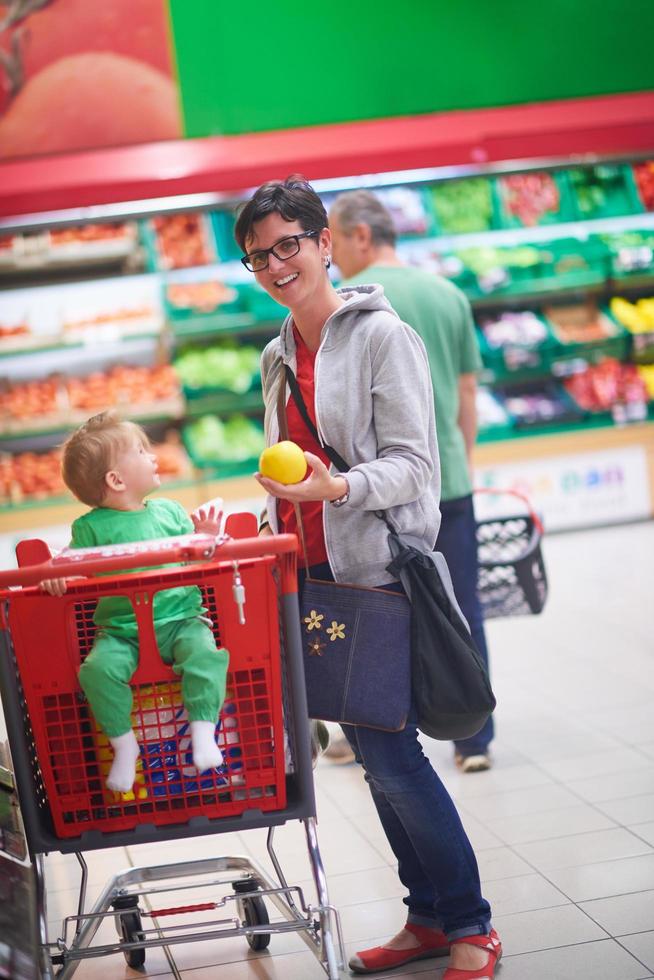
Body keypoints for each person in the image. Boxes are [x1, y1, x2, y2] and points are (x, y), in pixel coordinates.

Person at [234, 175, 502, 980]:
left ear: (324, 243)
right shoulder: (276, 358)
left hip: (380, 573)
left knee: (392, 761)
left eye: (289, 244)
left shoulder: (385, 338)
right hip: (314, 583)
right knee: (373, 761)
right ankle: (426, 916)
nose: (278, 263)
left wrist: (337, 488)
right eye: (258, 255)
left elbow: (415, 468)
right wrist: (266, 523)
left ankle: (472, 924)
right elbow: (291, 474)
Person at [329, 189, 494, 773]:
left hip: (384, 491)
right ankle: (473, 736)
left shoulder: (353, 306)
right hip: (446, 477)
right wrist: (460, 463)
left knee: (375, 610)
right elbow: (468, 394)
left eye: (334, 242)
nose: (333, 261)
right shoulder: (447, 293)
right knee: (458, 606)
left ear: (360, 237)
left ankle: (370, 732)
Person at [40, 411, 229, 794]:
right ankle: (125, 746)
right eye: (142, 451)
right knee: (95, 671)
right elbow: (72, 563)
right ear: (116, 479)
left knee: (206, 655)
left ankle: (203, 731)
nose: (154, 455)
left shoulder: (170, 512)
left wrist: (206, 536)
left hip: (182, 620)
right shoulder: (89, 528)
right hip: (120, 632)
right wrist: (55, 569)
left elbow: (198, 558)